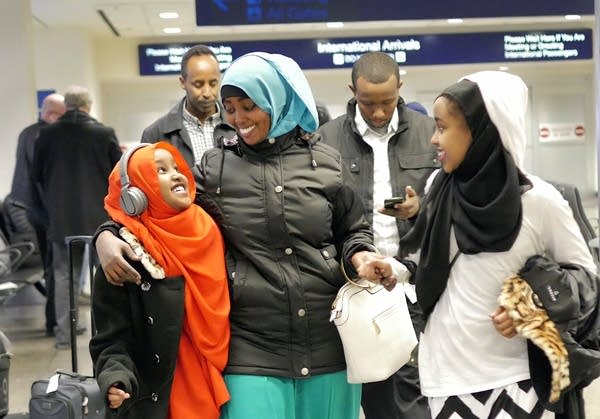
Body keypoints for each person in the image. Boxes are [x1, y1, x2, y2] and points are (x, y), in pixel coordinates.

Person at [94, 51, 398, 419]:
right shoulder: (216, 167)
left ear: (277, 99)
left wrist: (361, 254)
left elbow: (352, 230)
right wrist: (107, 233)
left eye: (249, 106)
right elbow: (163, 210)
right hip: (251, 347)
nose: (238, 118)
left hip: (327, 340)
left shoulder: (326, 162)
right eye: (230, 108)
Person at [399, 71, 599, 418]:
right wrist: (394, 269)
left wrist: (531, 303)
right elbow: (432, 262)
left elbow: (587, 278)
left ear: (481, 131)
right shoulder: (438, 187)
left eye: (443, 127)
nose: (433, 139)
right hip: (446, 376)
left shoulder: (539, 200)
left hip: (519, 378)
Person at [318, 51, 437, 419]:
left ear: (400, 88)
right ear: (352, 91)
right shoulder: (326, 140)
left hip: (416, 286)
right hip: (356, 291)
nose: (379, 112)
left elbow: (454, 207)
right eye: (368, 103)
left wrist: (423, 208)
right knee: (374, 399)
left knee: (421, 398)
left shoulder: (429, 132)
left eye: (387, 101)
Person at [90, 142, 230, 418]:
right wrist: (115, 377)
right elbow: (110, 336)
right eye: (161, 171)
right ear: (136, 194)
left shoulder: (212, 226)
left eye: (176, 168)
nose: (177, 175)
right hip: (162, 393)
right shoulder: (125, 254)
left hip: (229, 372)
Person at [32, 85, 122, 349]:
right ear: (89, 106)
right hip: (100, 218)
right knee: (106, 273)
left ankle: (64, 336)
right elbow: (117, 175)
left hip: (61, 217)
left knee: (62, 277)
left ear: (67, 106)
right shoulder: (104, 133)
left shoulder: (46, 135)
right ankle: (108, 331)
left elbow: (36, 174)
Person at [9, 93, 65, 336]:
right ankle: (53, 322)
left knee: (52, 267)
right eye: (63, 116)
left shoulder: (27, 133)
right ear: (51, 114)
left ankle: (52, 320)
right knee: (55, 267)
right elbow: (42, 176)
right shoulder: (43, 135)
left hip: (29, 207)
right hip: (42, 210)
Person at [141, 44, 236, 167]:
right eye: (198, 84)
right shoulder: (155, 134)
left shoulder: (238, 124)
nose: (207, 93)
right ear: (183, 82)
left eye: (213, 83)